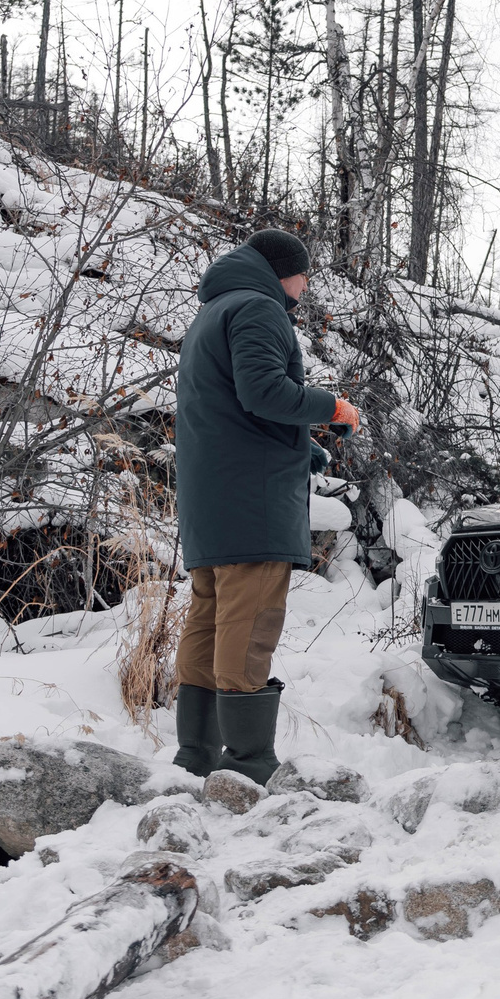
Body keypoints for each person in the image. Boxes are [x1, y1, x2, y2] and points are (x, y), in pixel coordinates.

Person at [170, 228, 361, 783]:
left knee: (209, 618)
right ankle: (249, 765)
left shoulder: (212, 313)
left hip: (215, 498)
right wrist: (333, 407)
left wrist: (303, 452)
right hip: (252, 506)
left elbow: (232, 414)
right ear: (285, 272)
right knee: (249, 624)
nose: (306, 287)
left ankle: (197, 757)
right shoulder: (258, 309)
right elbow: (263, 393)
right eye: (305, 275)